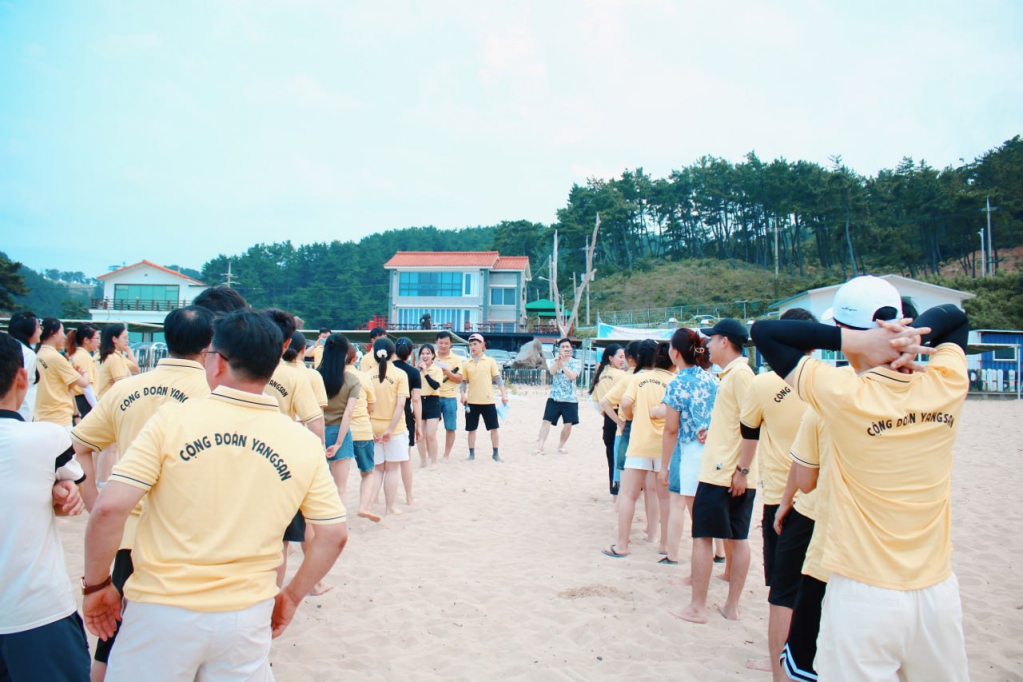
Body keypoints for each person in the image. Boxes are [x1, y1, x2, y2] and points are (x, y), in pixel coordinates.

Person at [81, 309, 347, 680]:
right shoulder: (301, 442)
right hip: (247, 615)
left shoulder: (172, 420)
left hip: (162, 607)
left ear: (217, 362)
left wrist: (96, 584)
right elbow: (334, 535)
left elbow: (109, 508)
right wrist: (291, 595)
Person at [752, 276, 971, 680]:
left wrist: (856, 341)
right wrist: (908, 336)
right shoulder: (946, 385)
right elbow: (955, 317)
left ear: (845, 331)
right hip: (937, 590)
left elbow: (766, 333)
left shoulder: (843, 395)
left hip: (863, 591)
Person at [70, 306, 215, 681]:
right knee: (190, 644)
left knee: (112, 635)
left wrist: (94, 501)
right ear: (209, 345)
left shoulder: (126, 389)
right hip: (187, 538)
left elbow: (79, 446)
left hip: (128, 532)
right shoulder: (212, 393)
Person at [0, 332, 90, 682]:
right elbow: (71, 493)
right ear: (22, 378)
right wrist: (60, 492)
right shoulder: (48, 439)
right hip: (37, 614)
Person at [737, 308, 814, 678]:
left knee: (783, 589)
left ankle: (779, 663)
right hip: (824, 497)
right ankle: (805, 657)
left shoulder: (765, 383)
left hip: (782, 498)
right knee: (816, 585)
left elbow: (748, 430)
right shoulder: (831, 380)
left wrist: (741, 471)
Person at [675, 318, 756, 624]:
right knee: (736, 536)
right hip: (731, 468)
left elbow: (753, 426)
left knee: (705, 536)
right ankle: (729, 607)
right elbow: (738, 422)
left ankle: (698, 607)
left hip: (724, 471)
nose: (707, 345)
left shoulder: (740, 376)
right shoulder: (733, 375)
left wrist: (742, 470)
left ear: (725, 341)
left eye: (712, 339)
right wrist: (713, 432)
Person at [602, 340, 674, 559]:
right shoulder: (673, 380)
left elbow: (624, 404)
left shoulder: (636, 378)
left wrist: (629, 418)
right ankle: (664, 545)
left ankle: (622, 545)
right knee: (664, 498)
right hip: (664, 445)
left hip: (639, 443)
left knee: (628, 495)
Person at [658, 328, 717, 567]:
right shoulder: (711, 379)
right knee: (712, 512)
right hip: (715, 449)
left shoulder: (677, 384)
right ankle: (719, 558)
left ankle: (697, 570)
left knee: (696, 516)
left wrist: (664, 466)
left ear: (675, 353)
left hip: (691, 451)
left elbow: (671, 429)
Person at [367, 337, 410, 516]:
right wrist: (391, 430)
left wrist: (370, 429)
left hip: (373, 427)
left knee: (377, 470)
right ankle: (389, 507)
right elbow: (400, 405)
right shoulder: (400, 375)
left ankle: (367, 505)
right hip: (395, 428)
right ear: (393, 353)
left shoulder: (367, 375)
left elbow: (364, 406)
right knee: (392, 469)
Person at [459, 333, 508, 463]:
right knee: (471, 429)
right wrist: (462, 394)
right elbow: (463, 382)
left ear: (482, 345)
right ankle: (471, 454)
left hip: (488, 401)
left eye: (475, 344)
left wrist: (504, 394)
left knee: (494, 428)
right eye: (470, 345)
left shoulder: (490, 361)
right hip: (472, 401)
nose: (473, 347)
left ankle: (495, 453)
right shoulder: (467, 363)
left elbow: (498, 379)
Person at [34, 317, 90, 428]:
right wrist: (84, 373)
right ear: (53, 333)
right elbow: (84, 383)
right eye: (62, 331)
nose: (64, 336)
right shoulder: (56, 358)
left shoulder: (38, 354)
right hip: (59, 418)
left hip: (41, 416)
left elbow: (64, 386)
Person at [533, 338, 582, 455]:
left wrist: (563, 366)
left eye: (567, 347)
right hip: (555, 396)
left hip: (570, 398)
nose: (565, 349)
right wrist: (558, 362)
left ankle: (561, 446)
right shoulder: (553, 360)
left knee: (568, 425)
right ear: (559, 349)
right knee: (546, 421)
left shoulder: (576, 362)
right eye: (563, 347)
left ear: (571, 349)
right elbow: (552, 372)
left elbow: (572, 376)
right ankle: (540, 446)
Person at [589, 344, 625, 497]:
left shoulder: (600, 375)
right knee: (623, 458)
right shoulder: (621, 375)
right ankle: (625, 490)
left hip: (608, 419)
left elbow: (596, 402)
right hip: (620, 416)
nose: (623, 360)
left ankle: (614, 488)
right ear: (611, 358)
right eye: (620, 357)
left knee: (611, 457)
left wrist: (607, 416)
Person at [392, 337, 422, 505]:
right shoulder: (413, 372)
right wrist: (419, 426)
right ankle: (409, 497)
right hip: (404, 416)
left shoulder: (384, 369)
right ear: (410, 353)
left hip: (383, 415)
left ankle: (375, 498)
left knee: (383, 463)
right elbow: (416, 400)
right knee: (405, 458)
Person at [433, 331, 463, 461]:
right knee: (431, 428)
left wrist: (447, 373)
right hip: (433, 396)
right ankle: (431, 453)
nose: (443, 346)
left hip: (450, 397)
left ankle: (446, 454)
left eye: (446, 343)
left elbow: (459, 379)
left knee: (450, 427)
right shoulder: (431, 356)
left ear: (451, 344)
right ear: (436, 343)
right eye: (441, 343)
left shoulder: (456, 359)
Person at [8, 311, 41, 421]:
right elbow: (18, 384)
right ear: (29, 330)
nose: (40, 331)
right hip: (20, 411)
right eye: (38, 327)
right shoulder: (27, 354)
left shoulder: (10, 348)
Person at [416, 343, 443, 470]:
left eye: (428, 353)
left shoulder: (436, 369)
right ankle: (423, 461)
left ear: (433, 355)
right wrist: (418, 370)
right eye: (423, 353)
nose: (425, 356)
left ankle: (434, 461)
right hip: (420, 402)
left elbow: (435, 386)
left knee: (431, 434)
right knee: (420, 434)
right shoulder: (417, 370)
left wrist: (426, 372)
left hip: (433, 401)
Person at [95, 325, 140, 399]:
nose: (127, 341)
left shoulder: (111, 355)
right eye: (125, 338)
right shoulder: (114, 357)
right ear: (114, 339)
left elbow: (135, 369)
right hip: (110, 401)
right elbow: (122, 386)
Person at [67, 324, 100, 422]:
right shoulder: (83, 357)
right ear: (86, 340)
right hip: (84, 402)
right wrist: (96, 408)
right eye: (97, 338)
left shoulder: (77, 354)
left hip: (81, 401)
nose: (99, 342)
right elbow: (87, 387)